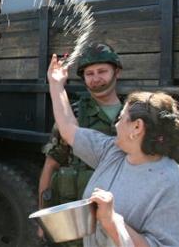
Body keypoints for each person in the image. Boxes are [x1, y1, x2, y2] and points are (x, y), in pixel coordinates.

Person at [47, 54, 179, 247]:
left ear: (137, 127)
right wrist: (56, 84)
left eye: (121, 118)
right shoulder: (112, 152)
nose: (116, 125)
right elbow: (68, 128)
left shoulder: (173, 185)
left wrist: (111, 221)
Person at [38, 44, 122, 244]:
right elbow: (51, 165)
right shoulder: (72, 114)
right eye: (89, 73)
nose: (95, 78)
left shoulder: (132, 114)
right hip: (77, 221)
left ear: (116, 72)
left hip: (118, 218)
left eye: (102, 71)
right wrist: (43, 218)